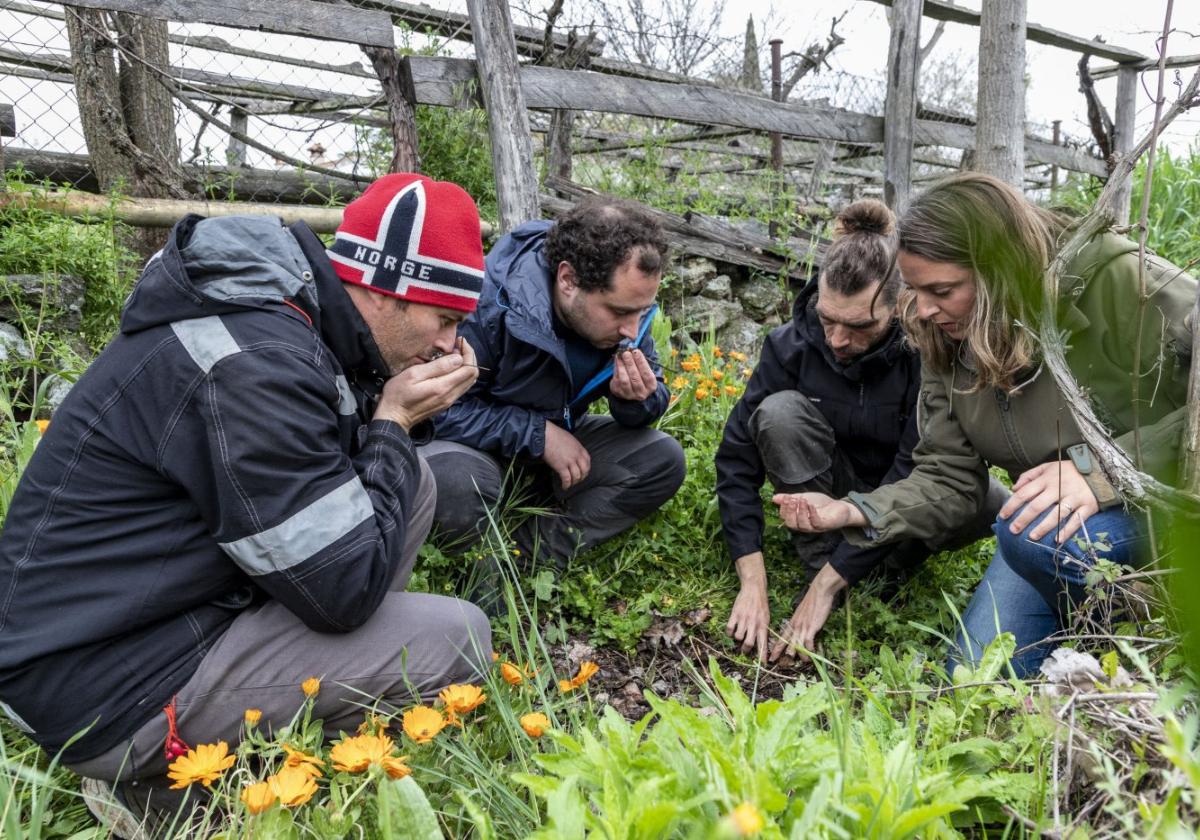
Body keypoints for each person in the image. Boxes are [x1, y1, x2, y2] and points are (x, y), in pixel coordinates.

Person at [0, 173, 493, 826]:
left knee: (415, 484)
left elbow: (327, 487)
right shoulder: (256, 362)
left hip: (130, 623)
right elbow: (343, 589)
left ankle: (265, 735)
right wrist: (393, 423)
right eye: (446, 319)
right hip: (104, 686)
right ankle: (164, 785)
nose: (450, 345)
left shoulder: (282, 317)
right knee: (458, 639)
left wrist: (390, 423)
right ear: (386, 289)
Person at [775, 172, 1196, 677]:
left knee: (1034, 539)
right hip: (1058, 528)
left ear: (1000, 269)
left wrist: (1094, 471)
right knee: (973, 678)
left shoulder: (1119, 282)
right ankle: (1097, 616)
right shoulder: (944, 333)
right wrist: (852, 512)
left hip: (1168, 507)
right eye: (915, 289)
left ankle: (1161, 622)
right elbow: (948, 479)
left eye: (943, 289)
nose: (924, 308)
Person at [718, 199, 1006, 661]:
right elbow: (735, 461)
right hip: (829, 497)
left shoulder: (926, 353)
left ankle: (859, 574)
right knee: (778, 413)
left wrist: (826, 587)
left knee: (991, 501)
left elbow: (915, 472)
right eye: (827, 319)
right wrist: (752, 582)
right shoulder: (789, 347)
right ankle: (826, 561)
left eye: (859, 326)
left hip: (900, 502)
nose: (836, 340)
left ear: (898, 306)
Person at [421, 197, 686, 594]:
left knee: (661, 460)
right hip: (476, 454)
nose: (633, 329)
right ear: (568, 280)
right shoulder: (488, 303)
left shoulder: (630, 313)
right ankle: (477, 583)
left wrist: (637, 400)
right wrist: (538, 435)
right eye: (619, 312)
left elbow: (648, 401)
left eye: (642, 311)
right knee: (457, 482)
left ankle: (526, 556)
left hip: (551, 459)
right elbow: (436, 413)